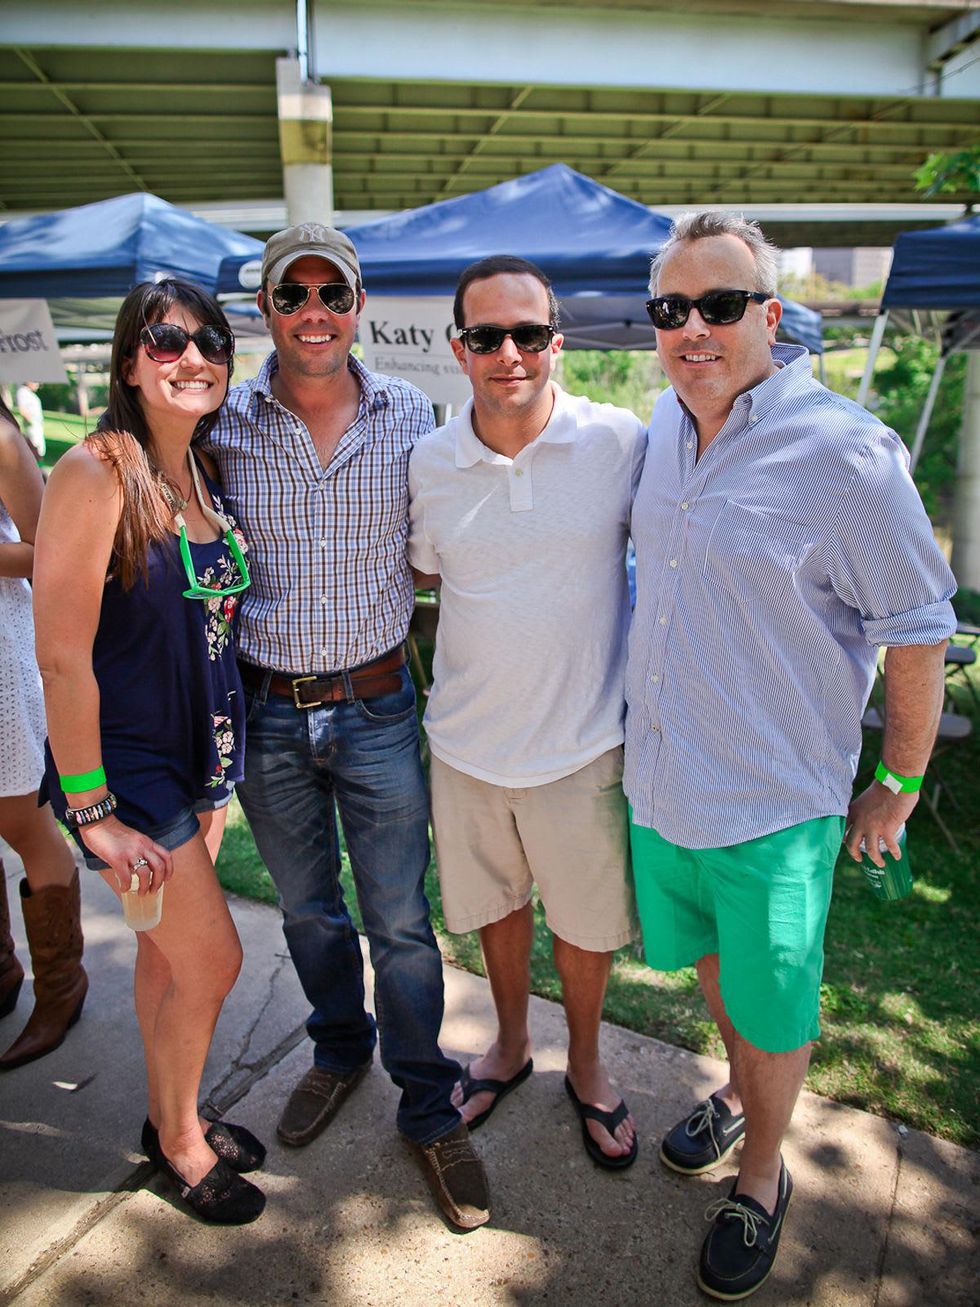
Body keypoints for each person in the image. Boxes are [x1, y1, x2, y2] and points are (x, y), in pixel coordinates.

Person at [625, 212, 956, 1299]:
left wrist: (896, 784)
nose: (693, 328)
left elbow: (916, 626)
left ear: (770, 314)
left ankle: (762, 1171)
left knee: (774, 1006)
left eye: (720, 305)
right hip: (662, 788)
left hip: (772, 807)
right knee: (719, 980)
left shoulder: (846, 451)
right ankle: (739, 1089)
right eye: (671, 309)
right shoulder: (660, 433)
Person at [203, 223, 489, 1232]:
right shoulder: (221, 425)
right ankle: (336, 1048)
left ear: (357, 304)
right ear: (265, 310)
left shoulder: (414, 414)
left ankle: (427, 1099)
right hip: (267, 712)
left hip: (374, 705)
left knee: (400, 919)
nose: (313, 311)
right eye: (294, 295)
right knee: (306, 910)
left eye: (332, 292)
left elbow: (445, 541)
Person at [32, 278, 266, 1226]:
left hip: (200, 764)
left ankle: (174, 1110)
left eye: (209, 340)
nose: (192, 356)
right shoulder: (95, 471)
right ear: (131, 358)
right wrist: (94, 815)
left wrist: (218, 782)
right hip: (129, 775)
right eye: (166, 339)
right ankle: (179, 1143)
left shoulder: (202, 471)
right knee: (214, 964)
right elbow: (60, 657)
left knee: (169, 961)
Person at [408, 256, 647, 1168]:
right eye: (486, 336)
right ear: (458, 347)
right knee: (496, 909)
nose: (509, 352)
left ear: (559, 339)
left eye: (529, 333)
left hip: (585, 744)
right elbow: (425, 571)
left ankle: (586, 1062)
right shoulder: (427, 460)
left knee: (584, 924)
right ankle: (509, 1045)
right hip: (466, 743)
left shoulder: (619, 442)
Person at [0, 395, 85, 1071]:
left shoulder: (0, 437)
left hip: (2, 656)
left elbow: (44, 553)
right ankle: (1, 971)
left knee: (23, 825)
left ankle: (60, 987)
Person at [15, 383, 45, 462]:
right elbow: (22, 409)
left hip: (37, 425)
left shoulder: (31, 394)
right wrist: (32, 422)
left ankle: (38, 470)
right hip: (31, 426)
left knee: (40, 450)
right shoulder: (22, 392)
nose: (37, 384)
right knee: (34, 448)